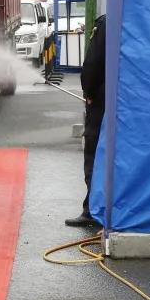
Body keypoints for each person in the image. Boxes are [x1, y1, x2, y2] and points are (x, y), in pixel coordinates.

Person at [66, 14, 106, 227]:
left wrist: (89, 93)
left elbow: (93, 64)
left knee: (95, 152)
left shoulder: (106, 23)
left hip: (102, 102)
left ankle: (92, 210)